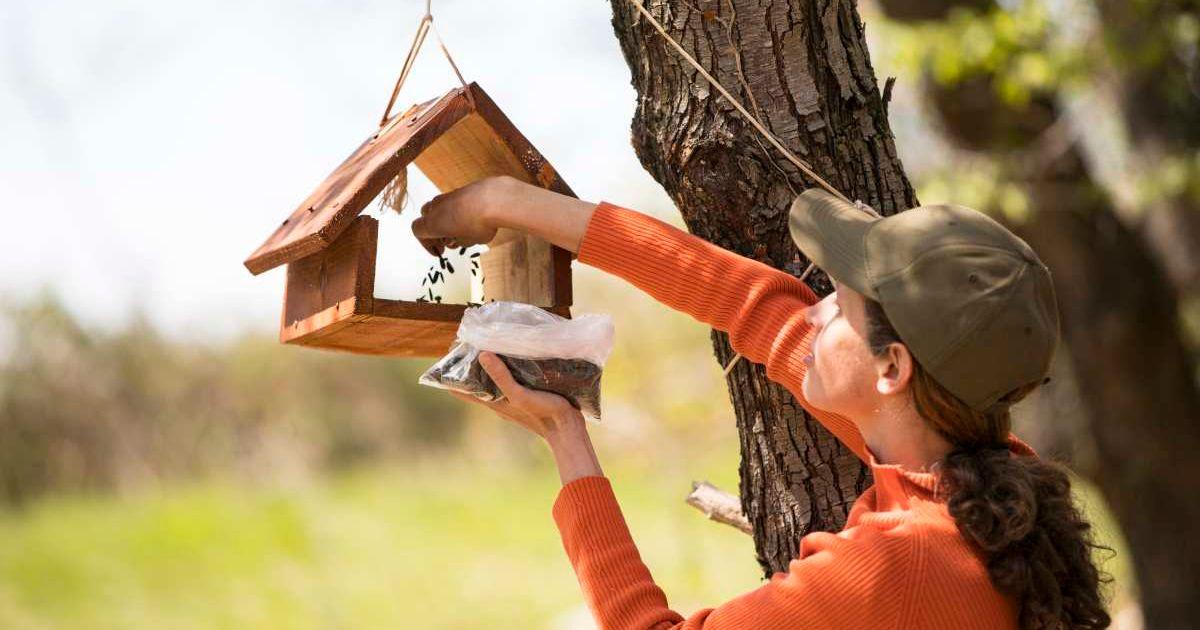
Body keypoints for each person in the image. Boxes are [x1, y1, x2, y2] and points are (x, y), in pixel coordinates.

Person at [411, 175, 1111, 629]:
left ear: (892, 367)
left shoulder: (901, 560)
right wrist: (509, 203)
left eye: (841, 305)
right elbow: (749, 305)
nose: (814, 312)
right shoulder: (981, 484)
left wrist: (565, 438)